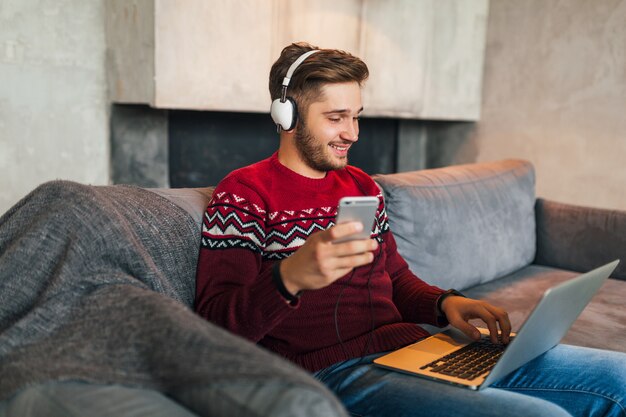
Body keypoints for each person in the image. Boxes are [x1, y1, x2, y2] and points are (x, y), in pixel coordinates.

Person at [195, 42, 626, 417]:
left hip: (416, 347)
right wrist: (288, 278)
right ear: (286, 115)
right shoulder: (244, 194)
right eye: (336, 117)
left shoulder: (362, 186)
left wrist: (447, 304)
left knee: (618, 378)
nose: (353, 133)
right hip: (337, 372)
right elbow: (212, 326)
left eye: (356, 116)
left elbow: (396, 279)